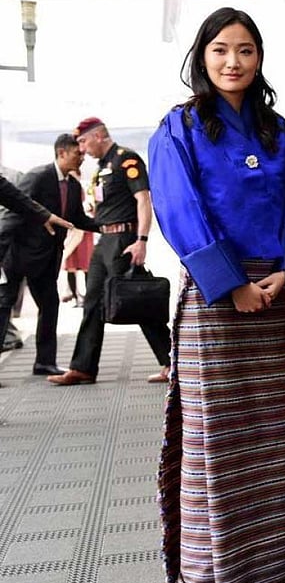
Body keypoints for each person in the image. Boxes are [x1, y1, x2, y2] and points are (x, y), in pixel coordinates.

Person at [148, 7, 285, 583]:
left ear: (259, 58)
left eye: (245, 50)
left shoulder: (276, 128)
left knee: (267, 432)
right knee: (215, 435)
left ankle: (270, 566)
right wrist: (231, 285)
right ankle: (213, 571)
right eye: (220, 50)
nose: (233, 62)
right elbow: (178, 207)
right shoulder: (179, 125)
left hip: (272, 290)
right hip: (217, 296)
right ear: (201, 57)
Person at [48, 118, 171, 386]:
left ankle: (173, 362)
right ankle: (83, 368)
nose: (81, 149)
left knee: (137, 300)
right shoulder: (101, 168)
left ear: (99, 135)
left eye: (83, 141)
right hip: (104, 241)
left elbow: (143, 199)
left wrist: (141, 240)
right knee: (92, 303)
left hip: (124, 240)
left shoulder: (126, 159)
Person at [0, 134, 97, 376]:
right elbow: (12, 212)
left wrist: (107, 225)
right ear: (62, 152)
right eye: (77, 153)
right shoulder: (38, 176)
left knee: (50, 306)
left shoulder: (73, 186)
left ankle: (44, 362)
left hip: (46, 260)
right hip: (17, 256)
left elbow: (76, 219)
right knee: (4, 307)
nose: (82, 158)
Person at [61, 173, 94, 307]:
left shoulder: (87, 188)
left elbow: (94, 207)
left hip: (85, 232)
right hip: (71, 232)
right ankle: (75, 296)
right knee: (71, 265)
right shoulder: (65, 188)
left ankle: (89, 297)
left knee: (86, 265)